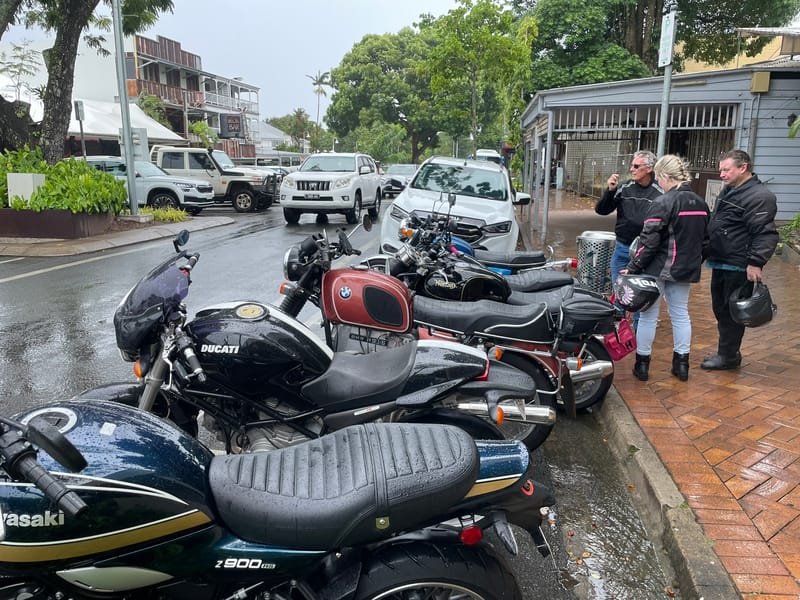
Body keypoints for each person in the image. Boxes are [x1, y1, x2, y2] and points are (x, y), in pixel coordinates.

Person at [622, 155, 709, 382]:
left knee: (649, 316)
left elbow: (648, 242)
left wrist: (632, 267)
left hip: (657, 268)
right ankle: (682, 366)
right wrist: (693, 262)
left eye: (659, 178)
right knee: (680, 315)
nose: (658, 183)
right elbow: (707, 241)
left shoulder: (663, 202)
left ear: (663, 176)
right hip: (684, 270)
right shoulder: (701, 203)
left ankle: (642, 365)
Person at [701, 149, 778, 370]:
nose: (722, 174)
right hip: (722, 260)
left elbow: (765, 233)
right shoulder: (731, 191)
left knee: (731, 311)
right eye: (721, 170)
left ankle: (728, 356)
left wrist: (755, 262)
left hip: (737, 264)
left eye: (726, 169)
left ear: (743, 167)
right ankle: (727, 352)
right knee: (721, 309)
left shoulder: (759, 197)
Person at [595, 150, 663, 324]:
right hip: (622, 248)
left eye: (636, 166)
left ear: (648, 168)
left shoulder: (659, 192)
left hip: (645, 252)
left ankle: (640, 332)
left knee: (639, 295)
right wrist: (610, 191)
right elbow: (602, 210)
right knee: (620, 291)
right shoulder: (624, 187)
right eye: (631, 165)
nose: (631, 169)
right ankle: (618, 331)